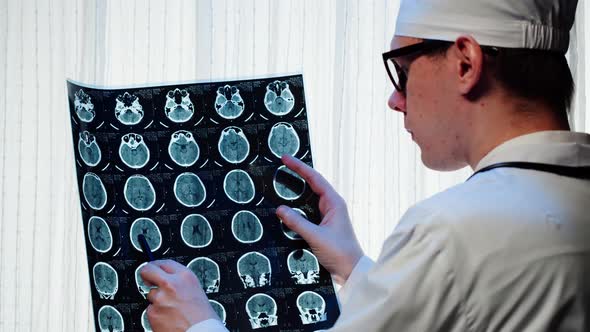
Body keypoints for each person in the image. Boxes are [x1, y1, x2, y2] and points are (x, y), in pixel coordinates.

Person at [140, 0, 590, 330]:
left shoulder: (449, 232)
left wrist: (196, 324)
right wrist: (352, 267)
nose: (395, 100)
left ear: (466, 63)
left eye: (402, 71)